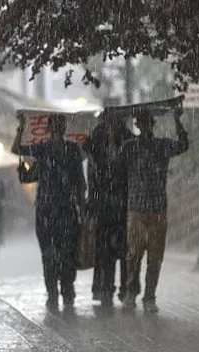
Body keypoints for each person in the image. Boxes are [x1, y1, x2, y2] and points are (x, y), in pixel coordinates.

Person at [12, 114, 86, 312]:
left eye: (61, 125)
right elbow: (17, 150)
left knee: (67, 253)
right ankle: (53, 292)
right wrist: (21, 128)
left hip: (66, 210)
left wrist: (82, 209)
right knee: (49, 255)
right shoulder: (42, 149)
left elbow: (80, 182)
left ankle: (66, 289)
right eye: (56, 125)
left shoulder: (72, 150)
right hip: (47, 211)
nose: (58, 128)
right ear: (50, 128)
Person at [119, 108, 189, 314]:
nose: (145, 126)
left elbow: (183, 145)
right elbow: (115, 165)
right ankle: (131, 292)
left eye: (148, 122)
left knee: (155, 257)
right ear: (138, 125)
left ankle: (150, 296)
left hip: (157, 209)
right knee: (134, 254)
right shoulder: (129, 147)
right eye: (141, 122)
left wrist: (178, 121)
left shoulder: (162, 146)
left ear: (152, 124)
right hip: (136, 209)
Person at [83, 116, 136, 307]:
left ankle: (124, 289)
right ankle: (106, 288)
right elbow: (92, 169)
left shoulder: (127, 140)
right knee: (106, 251)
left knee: (123, 250)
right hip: (105, 206)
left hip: (121, 205)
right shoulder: (97, 139)